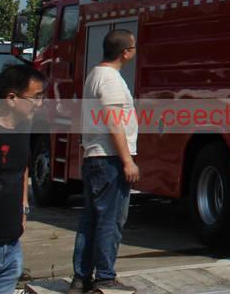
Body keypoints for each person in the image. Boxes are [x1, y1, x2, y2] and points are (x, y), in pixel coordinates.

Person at [71, 30, 138, 294]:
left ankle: (81, 278)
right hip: (109, 158)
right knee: (110, 220)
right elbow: (114, 122)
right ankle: (105, 278)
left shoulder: (95, 74)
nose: (135, 50)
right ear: (125, 52)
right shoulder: (110, 79)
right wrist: (127, 162)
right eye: (133, 46)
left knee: (90, 219)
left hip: (95, 157)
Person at [0, 64, 45, 294]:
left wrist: (23, 208)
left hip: (11, 248)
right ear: (12, 98)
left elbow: (22, 168)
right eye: (36, 97)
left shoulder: (23, 129)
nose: (40, 103)